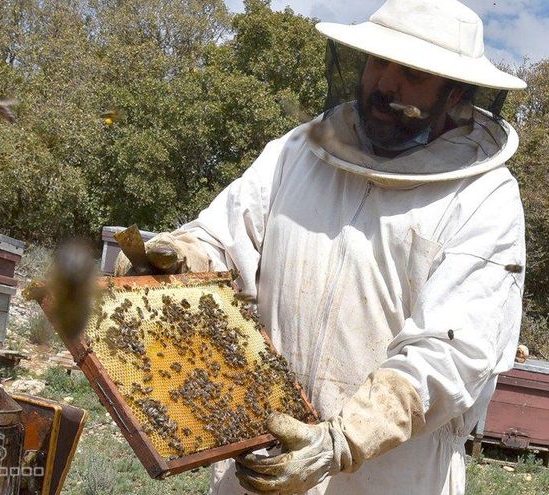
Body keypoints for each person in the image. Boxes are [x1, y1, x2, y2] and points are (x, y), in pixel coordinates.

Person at [114, 1, 527, 494]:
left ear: (454, 92)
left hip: (391, 477)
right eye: (378, 62)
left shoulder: (483, 197)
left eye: (412, 74)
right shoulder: (298, 152)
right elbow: (224, 238)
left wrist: (346, 438)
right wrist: (182, 257)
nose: (385, 84)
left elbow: (453, 352)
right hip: (258, 458)